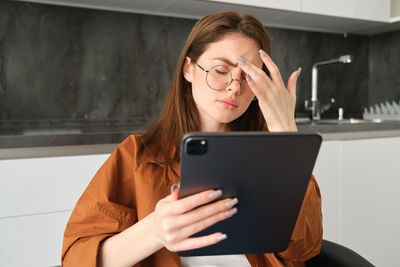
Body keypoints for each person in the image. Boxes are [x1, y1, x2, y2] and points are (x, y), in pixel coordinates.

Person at [62, 10, 322, 267]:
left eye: (248, 76)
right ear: (188, 69)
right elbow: (77, 259)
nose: (234, 86)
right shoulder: (137, 156)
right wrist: (155, 230)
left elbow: (305, 248)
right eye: (221, 70)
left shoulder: (273, 157)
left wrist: (285, 133)